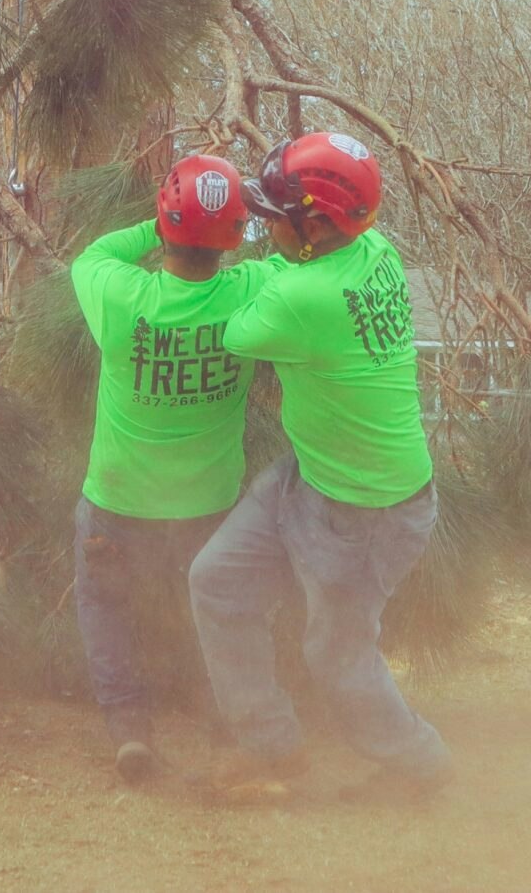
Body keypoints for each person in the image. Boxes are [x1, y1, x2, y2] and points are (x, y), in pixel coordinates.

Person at [188, 131, 450, 799]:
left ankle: (421, 767)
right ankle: (270, 746)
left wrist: (253, 269)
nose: (264, 225)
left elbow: (237, 330)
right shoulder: (373, 246)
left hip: (368, 511)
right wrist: (279, 262)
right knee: (217, 580)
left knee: (337, 657)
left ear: (320, 224)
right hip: (313, 474)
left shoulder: (304, 300)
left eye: (277, 214)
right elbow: (287, 274)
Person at [66, 153, 277, 785]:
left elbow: (93, 253)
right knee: (216, 617)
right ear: (235, 238)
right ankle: (224, 730)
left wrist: (161, 224)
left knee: (107, 612)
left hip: (118, 499)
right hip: (206, 507)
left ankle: (130, 731)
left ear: (164, 224)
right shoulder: (250, 292)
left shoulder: (118, 292)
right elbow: (299, 256)